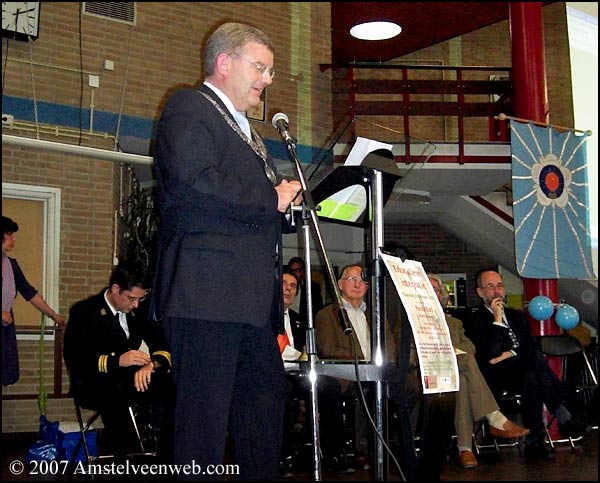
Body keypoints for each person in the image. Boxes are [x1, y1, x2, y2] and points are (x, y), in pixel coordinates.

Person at [152, 22, 302, 480]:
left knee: (261, 418)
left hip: (252, 303)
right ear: (224, 63)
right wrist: (270, 197)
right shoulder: (189, 106)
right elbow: (192, 179)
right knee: (203, 427)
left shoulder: (251, 136)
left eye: (271, 71)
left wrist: (285, 206)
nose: (268, 80)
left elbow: (247, 202)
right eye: (261, 67)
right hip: (207, 295)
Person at [465, 269, 590, 460]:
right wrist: (497, 320)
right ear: (480, 292)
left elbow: (531, 346)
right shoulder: (474, 320)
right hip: (496, 376)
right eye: (490, 287)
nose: (496, 291)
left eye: (499, 286)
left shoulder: (517, 316)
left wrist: (510, 353)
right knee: (534, 362)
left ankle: (535, 444)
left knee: (531, 376)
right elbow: (491, 353)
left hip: (521, 371)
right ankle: (563, 416)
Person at [63, 261, 174, 461]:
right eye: (132, 298)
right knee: (116, 392)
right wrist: (117, 361)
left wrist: (151, 364)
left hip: (130, 379)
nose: (136, 305)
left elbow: (162, 346)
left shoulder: (138, 310)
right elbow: (77, 360)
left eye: (140, 299)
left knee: (173, 387)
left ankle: (167, 459)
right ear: (116, 289)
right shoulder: (85, 312)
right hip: (93, 383)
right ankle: (123, 464)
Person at [427, 273, 529, 469]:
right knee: (465, 361)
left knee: (463, 379)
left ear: (442, 295)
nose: (434, 293)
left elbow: (470, 347)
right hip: (427, 373)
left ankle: (465, 449)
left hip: (456, 374)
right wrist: (445, 354)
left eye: (437, 290)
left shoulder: (454, 323)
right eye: (429, 289)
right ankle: (494, 417)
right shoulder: (409, 321)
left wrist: (452, 355)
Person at [315, 264, 396, 472]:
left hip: (377, 372)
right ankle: (365, 450)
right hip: (346, 376)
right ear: (340, 285)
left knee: (412, 386)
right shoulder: (327, 315)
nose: (357, 284)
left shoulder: (376, 315)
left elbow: (390, 345)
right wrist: (364, 360)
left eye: (362, 280)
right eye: (352, 280)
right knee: (367, 388)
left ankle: (402, 445)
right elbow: (327, 350)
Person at [2, 216, 66, 386]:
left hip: (5, 329)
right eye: (10, 234)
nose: (14, 238)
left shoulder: (11, 265)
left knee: (6, 374)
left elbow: (30, 293)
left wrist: (54, 315)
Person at [287, 256, 324, 322]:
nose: (294, 273)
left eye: (297, 270)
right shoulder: (283, 286)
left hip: (305, 326)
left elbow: (318, 311)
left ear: (303, 271)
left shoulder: (312, 288)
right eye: (291, 270)